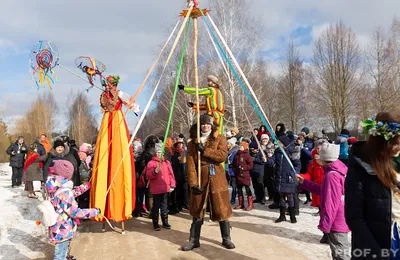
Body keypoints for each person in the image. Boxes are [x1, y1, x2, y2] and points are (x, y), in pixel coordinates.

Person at [345, 112, 400, 259]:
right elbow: (354, 217)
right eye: (398, 143)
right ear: (384, 142)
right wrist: (376, 253)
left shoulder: (395, 163)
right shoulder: (361, 169)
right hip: (378, 245)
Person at [181, 114, 235, 251]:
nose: (205, 126)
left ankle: (226, 238)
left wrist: (204, 150)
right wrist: (193, 184)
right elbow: (191, 165)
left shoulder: (220, 138)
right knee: (197, 209)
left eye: (207, 123)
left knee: (221, 207)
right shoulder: (192, 142)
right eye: (203, 123)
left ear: (212, 125)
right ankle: (194, 240)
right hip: (200, 177)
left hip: (217, 176)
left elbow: (222, 156)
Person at [90, 75, 137, 223]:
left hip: (117, 120)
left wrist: (133, 106)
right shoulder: (103, 95)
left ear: (115, 84)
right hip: (107, 121)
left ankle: (119, 207)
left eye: (112, 84)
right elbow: (105, 106)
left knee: (118, 151)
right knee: (104, 149)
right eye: (108, 83)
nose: (109, 86)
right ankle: (102, 206)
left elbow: (132, 104)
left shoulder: (120, 93)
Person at [297, 143, 350, 260]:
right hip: (340, 216)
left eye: (319, 155)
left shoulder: (332, 175)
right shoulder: (338, 168)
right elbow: (323, 190)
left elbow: (331, 202)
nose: (316, 157)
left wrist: (326, 224)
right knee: (339, 252)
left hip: (336, 220)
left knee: (340, 254)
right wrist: (304, 182)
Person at [46, 160, 100, 260]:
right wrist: (94, 211)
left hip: (57, 226)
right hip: (63, 228)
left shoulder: (54, 186)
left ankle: (65, 257)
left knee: (62, 249)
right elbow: (75, 212)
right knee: (59, 254)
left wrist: (85, 186)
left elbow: (69, 195)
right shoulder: (64, 192)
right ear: (68, 175)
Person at [266, 135, 300, 223]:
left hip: (288, 178)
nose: (277, 144)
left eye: (279, 142)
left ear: (284, 144)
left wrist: (294, 173)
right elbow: (271, 162)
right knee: (281, 196)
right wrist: (267, 159)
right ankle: (282, 216)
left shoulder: (291, 152)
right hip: (279, 178)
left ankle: (292, 216)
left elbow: (297, 164)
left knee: (289, 197)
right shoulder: (277, 152)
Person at [146, 143, 176, 231]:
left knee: (164, 206)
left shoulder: (167, 163)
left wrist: (172, 185)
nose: (160, 154)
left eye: (161, 152)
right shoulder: (151, 163)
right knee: (156, 206)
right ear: (155, 153)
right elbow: (148, 175)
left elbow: (171, 175)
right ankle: (155, 223)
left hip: (165, 188)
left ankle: (165, 221)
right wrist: (155, 171)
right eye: (158, 152)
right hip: (156, 189)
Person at [232, 141, 254, 211]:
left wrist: (244, 168)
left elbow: (251, 165)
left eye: (241, 146)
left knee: (247, 189)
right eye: (239, 146)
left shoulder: (247, 155)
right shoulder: (236, 155)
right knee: (239, 189)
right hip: (238, 174)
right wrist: (235, 170)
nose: (240, 147)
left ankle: (250, 204)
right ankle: (241, 204)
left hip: (245, 175)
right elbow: (233, 164)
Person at [170, 138, 189, 214]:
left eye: (181, 144)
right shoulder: (174, 154)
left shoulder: (185, 153)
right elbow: (173, 164)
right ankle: (177, 205)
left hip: (184, 175)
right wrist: (177, 160)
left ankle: (184, 204)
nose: (180, 145)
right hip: (177, 174)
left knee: (184, 190)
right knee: (177, 191)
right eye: (179, 144)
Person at [252, 134, 269, 204]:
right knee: (255, 184)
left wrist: (254, 159)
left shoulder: (263, 151)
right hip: (253, 170)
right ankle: (258, 197)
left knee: (260, 184)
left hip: (260, 170)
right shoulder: (255, 151)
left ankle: (263, 198)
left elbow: (262, 161)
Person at [226, 138, 238, 204]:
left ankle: (233, 199)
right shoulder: (228, 151)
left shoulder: (234, 152)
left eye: (228, 144)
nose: (227, 145)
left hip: (233, 171)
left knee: (234, 186)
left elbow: (235, 161)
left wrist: (230, 162)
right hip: (228, 171)